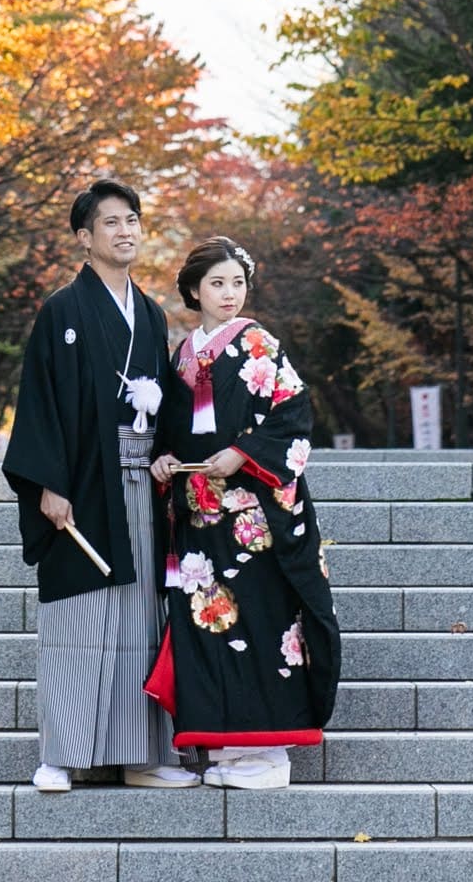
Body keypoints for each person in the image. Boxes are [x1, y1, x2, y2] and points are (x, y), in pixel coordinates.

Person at [0, 177, 197, 793]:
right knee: (79, 623)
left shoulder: (152, 313)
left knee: (143, 620)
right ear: (85, 238)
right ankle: (62, 754)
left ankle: (142, 756)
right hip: (85, 486)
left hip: (143, 485)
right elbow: (41, 402)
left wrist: (171, 459)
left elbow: (170, 407)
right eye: (111, 222)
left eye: (132, 219)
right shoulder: (63, 309)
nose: (126, 230)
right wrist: (47, 485)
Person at [148, 234, 337, 789]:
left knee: (261, 621)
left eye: (237, 283)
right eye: (217, 284)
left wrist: (242, 454)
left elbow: (292, 416)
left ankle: (270, 755)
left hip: (255, 517)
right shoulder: (183, 353)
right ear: (193, 290)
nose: (230, 294)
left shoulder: (260, 344)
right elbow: (172, 430)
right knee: (209, 625)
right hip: (202, 518)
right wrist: (164, 460)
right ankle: (228, 751)